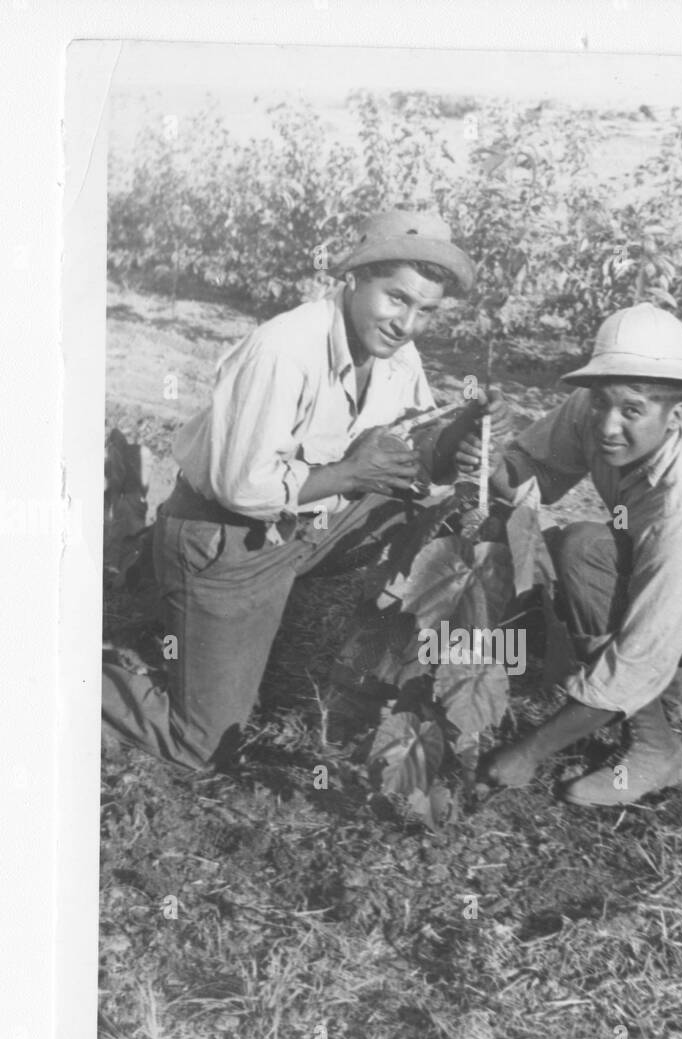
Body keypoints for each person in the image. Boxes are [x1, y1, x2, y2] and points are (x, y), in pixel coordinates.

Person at [102, 208, 509, 770]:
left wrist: (457, 438)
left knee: (422, 515)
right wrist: (352, 474)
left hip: (301, 526)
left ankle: (368, 672)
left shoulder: (396, 352)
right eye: (396, 298)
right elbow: (243, 487)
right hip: (226, 540)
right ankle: (71, 665)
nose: (407, 323)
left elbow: (410, 456)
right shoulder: (284, 349)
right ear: (355, 278)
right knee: (202, 744)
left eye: (425, 311)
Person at [480, 303, 682, 806]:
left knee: (586, 557)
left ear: (675, 415)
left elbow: (640, 654)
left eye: (632, 411)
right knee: (584, 547)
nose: (608, 426)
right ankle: (672, 682)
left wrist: (528, 752)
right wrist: (483, 452)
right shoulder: (598, 407)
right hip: (669, 556)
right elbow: (533, 474)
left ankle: (656, 751)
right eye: (602, 404)